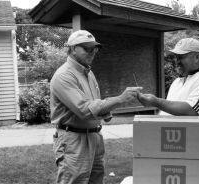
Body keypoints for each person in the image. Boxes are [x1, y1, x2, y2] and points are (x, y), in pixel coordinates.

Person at [50, 30, 142, 184]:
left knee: (96, 180)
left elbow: (95, 100)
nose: (93, 52)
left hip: (94, 136)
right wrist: (120, 99)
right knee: (75, 180)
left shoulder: (88, 73)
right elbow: (85, 109)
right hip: (73, 139)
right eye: (87, 48)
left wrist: (106, 114)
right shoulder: (63, 76)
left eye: (95, 48)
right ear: (72, 48)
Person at [137, 38, 199, 177]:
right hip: (171, 152)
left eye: (181, 56)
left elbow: (192, 111)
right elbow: (167, 114)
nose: (177, 60)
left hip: (198, 157)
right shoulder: (177, 82)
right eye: (176, 56)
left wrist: (155, 101)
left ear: (196, 57)